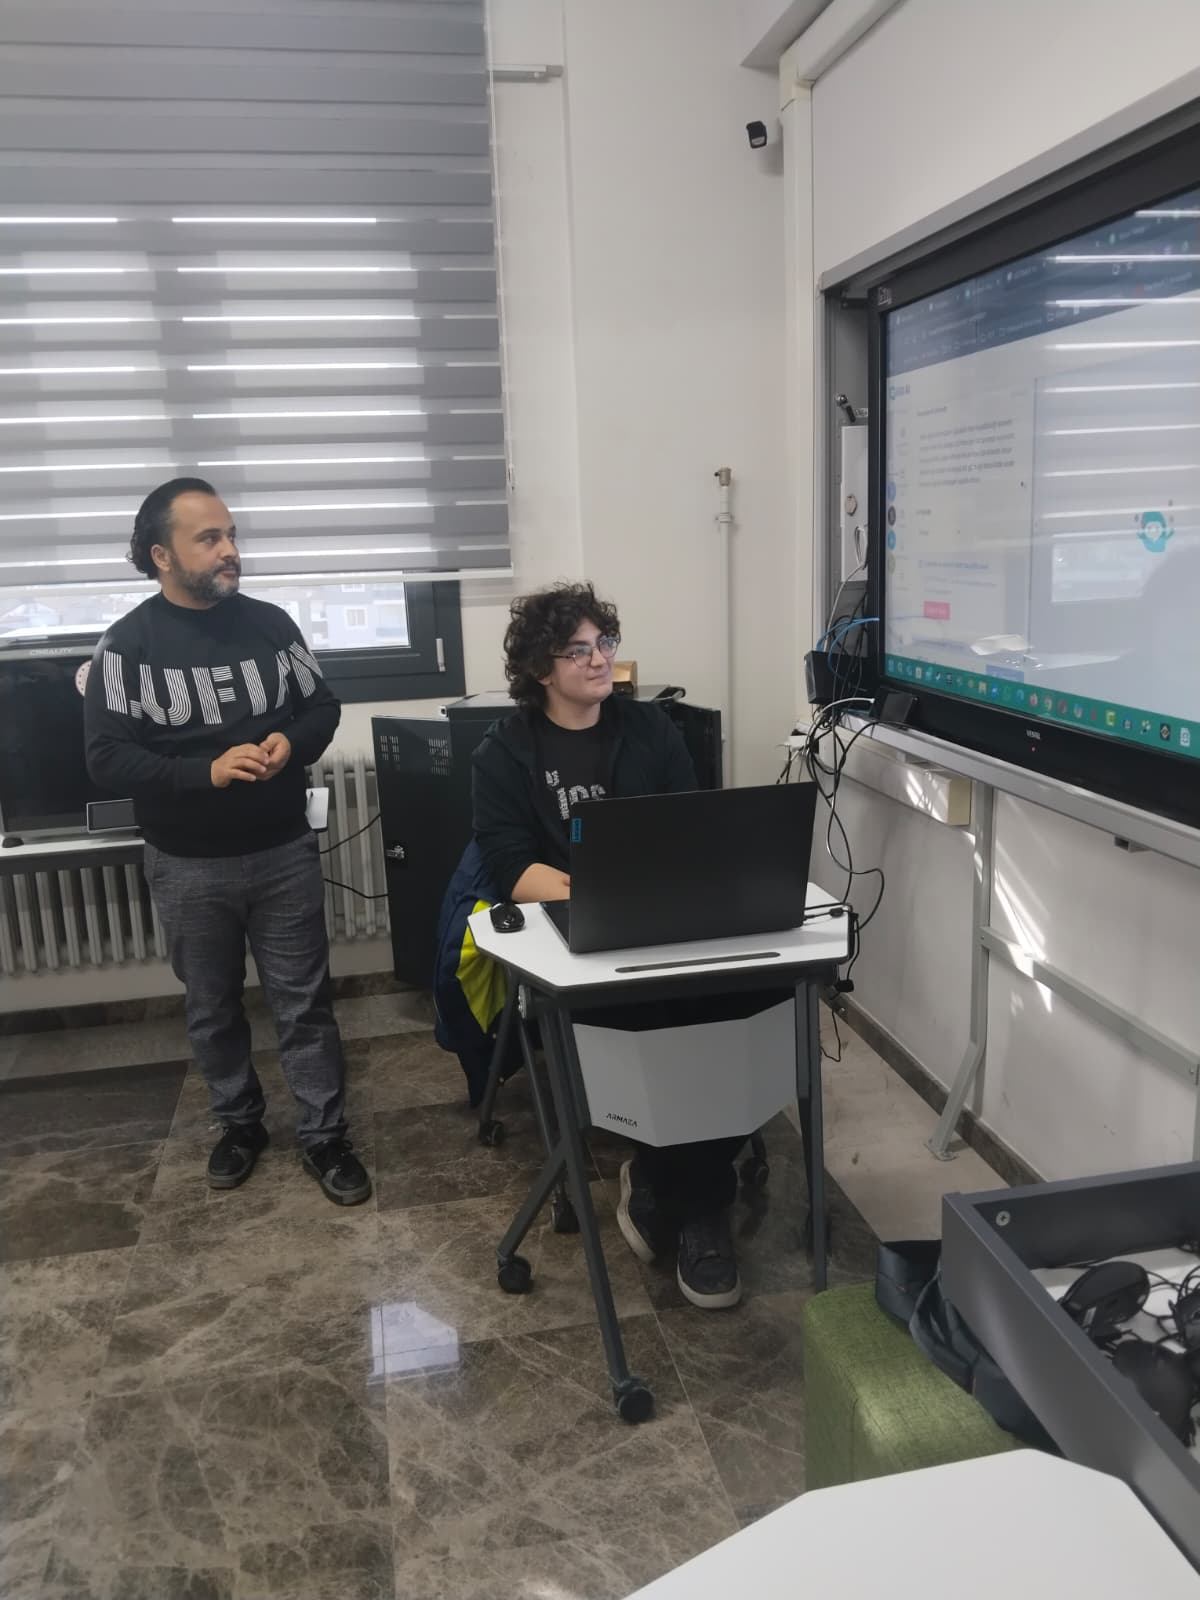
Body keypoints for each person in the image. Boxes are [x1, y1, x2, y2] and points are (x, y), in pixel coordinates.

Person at [84, 477, 370, 1205]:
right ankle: (239, 1124)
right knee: (212, 1008)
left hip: (282, 851)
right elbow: (106, 758)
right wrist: (202, 772)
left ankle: (325, 1135)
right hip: (185, 863)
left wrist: (291, 742)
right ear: (161, 555)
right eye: (209, 538)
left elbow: (322, 707)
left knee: (304, 1005)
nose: (229, 550)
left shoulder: (272, 625)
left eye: (232, 535)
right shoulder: (126, 646)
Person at [471, 580, 753, 1308]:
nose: (599, 660)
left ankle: (663, 1184)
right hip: (576, 940)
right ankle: (703, 1210)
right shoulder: (505, 753)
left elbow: (687, 828)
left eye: (605, 644)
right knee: (657, 1028)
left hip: (661, 920)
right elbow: (510, 868)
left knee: (744, 1004)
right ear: (540, 667)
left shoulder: (651, 729)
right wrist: (600, 893)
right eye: (578, 650)